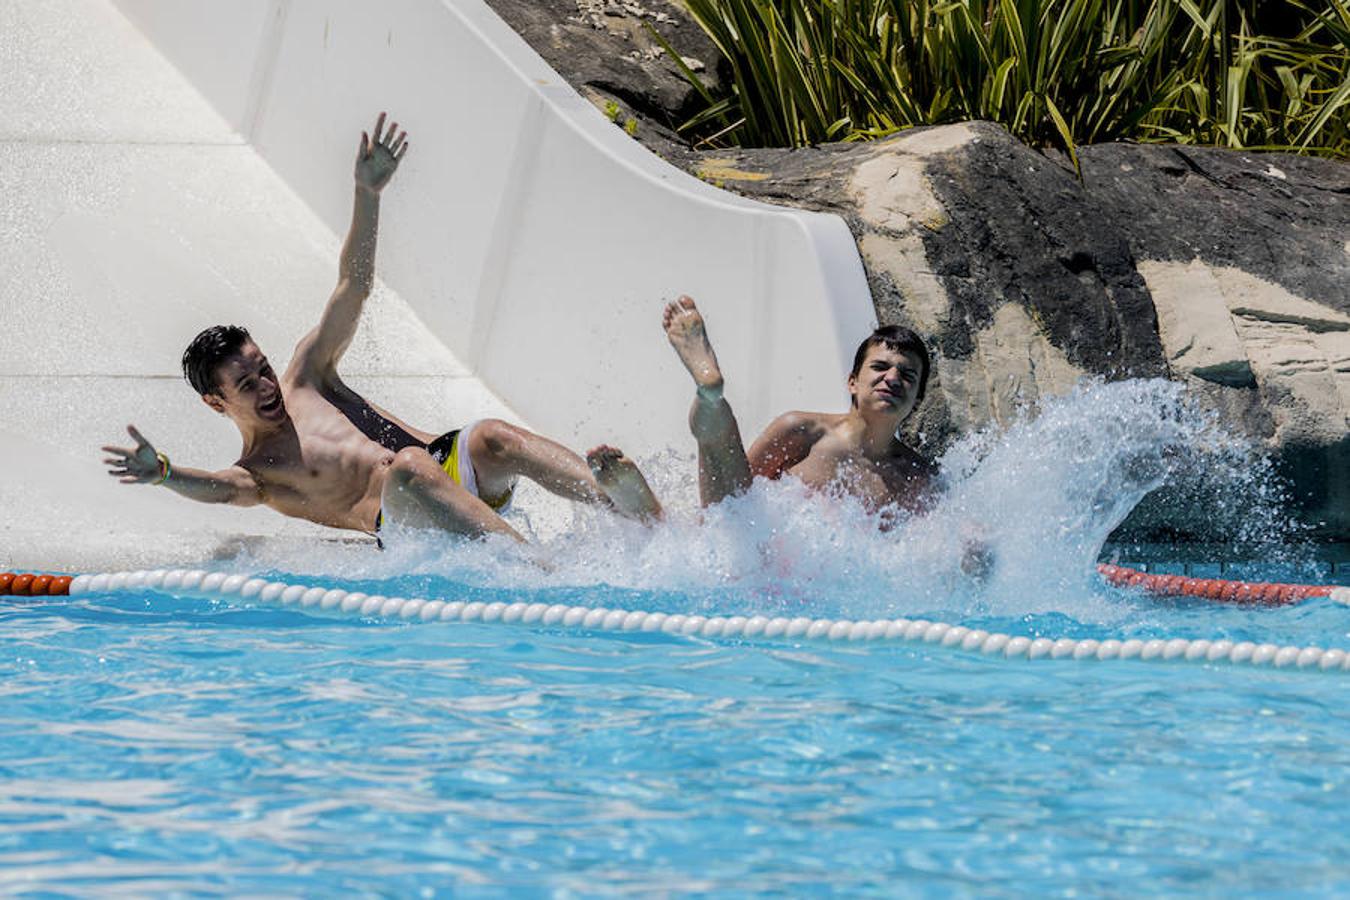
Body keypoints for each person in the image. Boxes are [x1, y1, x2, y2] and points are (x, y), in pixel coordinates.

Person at [103, 113, 661, 544]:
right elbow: (221, 492)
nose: (268, 386)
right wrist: (166, 474)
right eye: (246, 385)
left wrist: (367, 197)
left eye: (263, 369)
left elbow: (353, 287)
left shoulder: (306, 377)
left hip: (447, 475)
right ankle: (535, 569)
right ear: (215, 402)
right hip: (407, 522)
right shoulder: (261, 473)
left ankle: (631, 510)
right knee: (410, 468)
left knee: (490, 434)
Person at [660, 295, 937, 523]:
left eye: (907, 376)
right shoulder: (802, 431)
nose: (892, 379)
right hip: (758, 560)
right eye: (879, 367)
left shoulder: (919, 478)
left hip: (811, 586)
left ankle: (710, 398)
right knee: (732, 510)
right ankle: (709, 391)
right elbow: (733, 494)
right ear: (852, 382)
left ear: (918, 398)